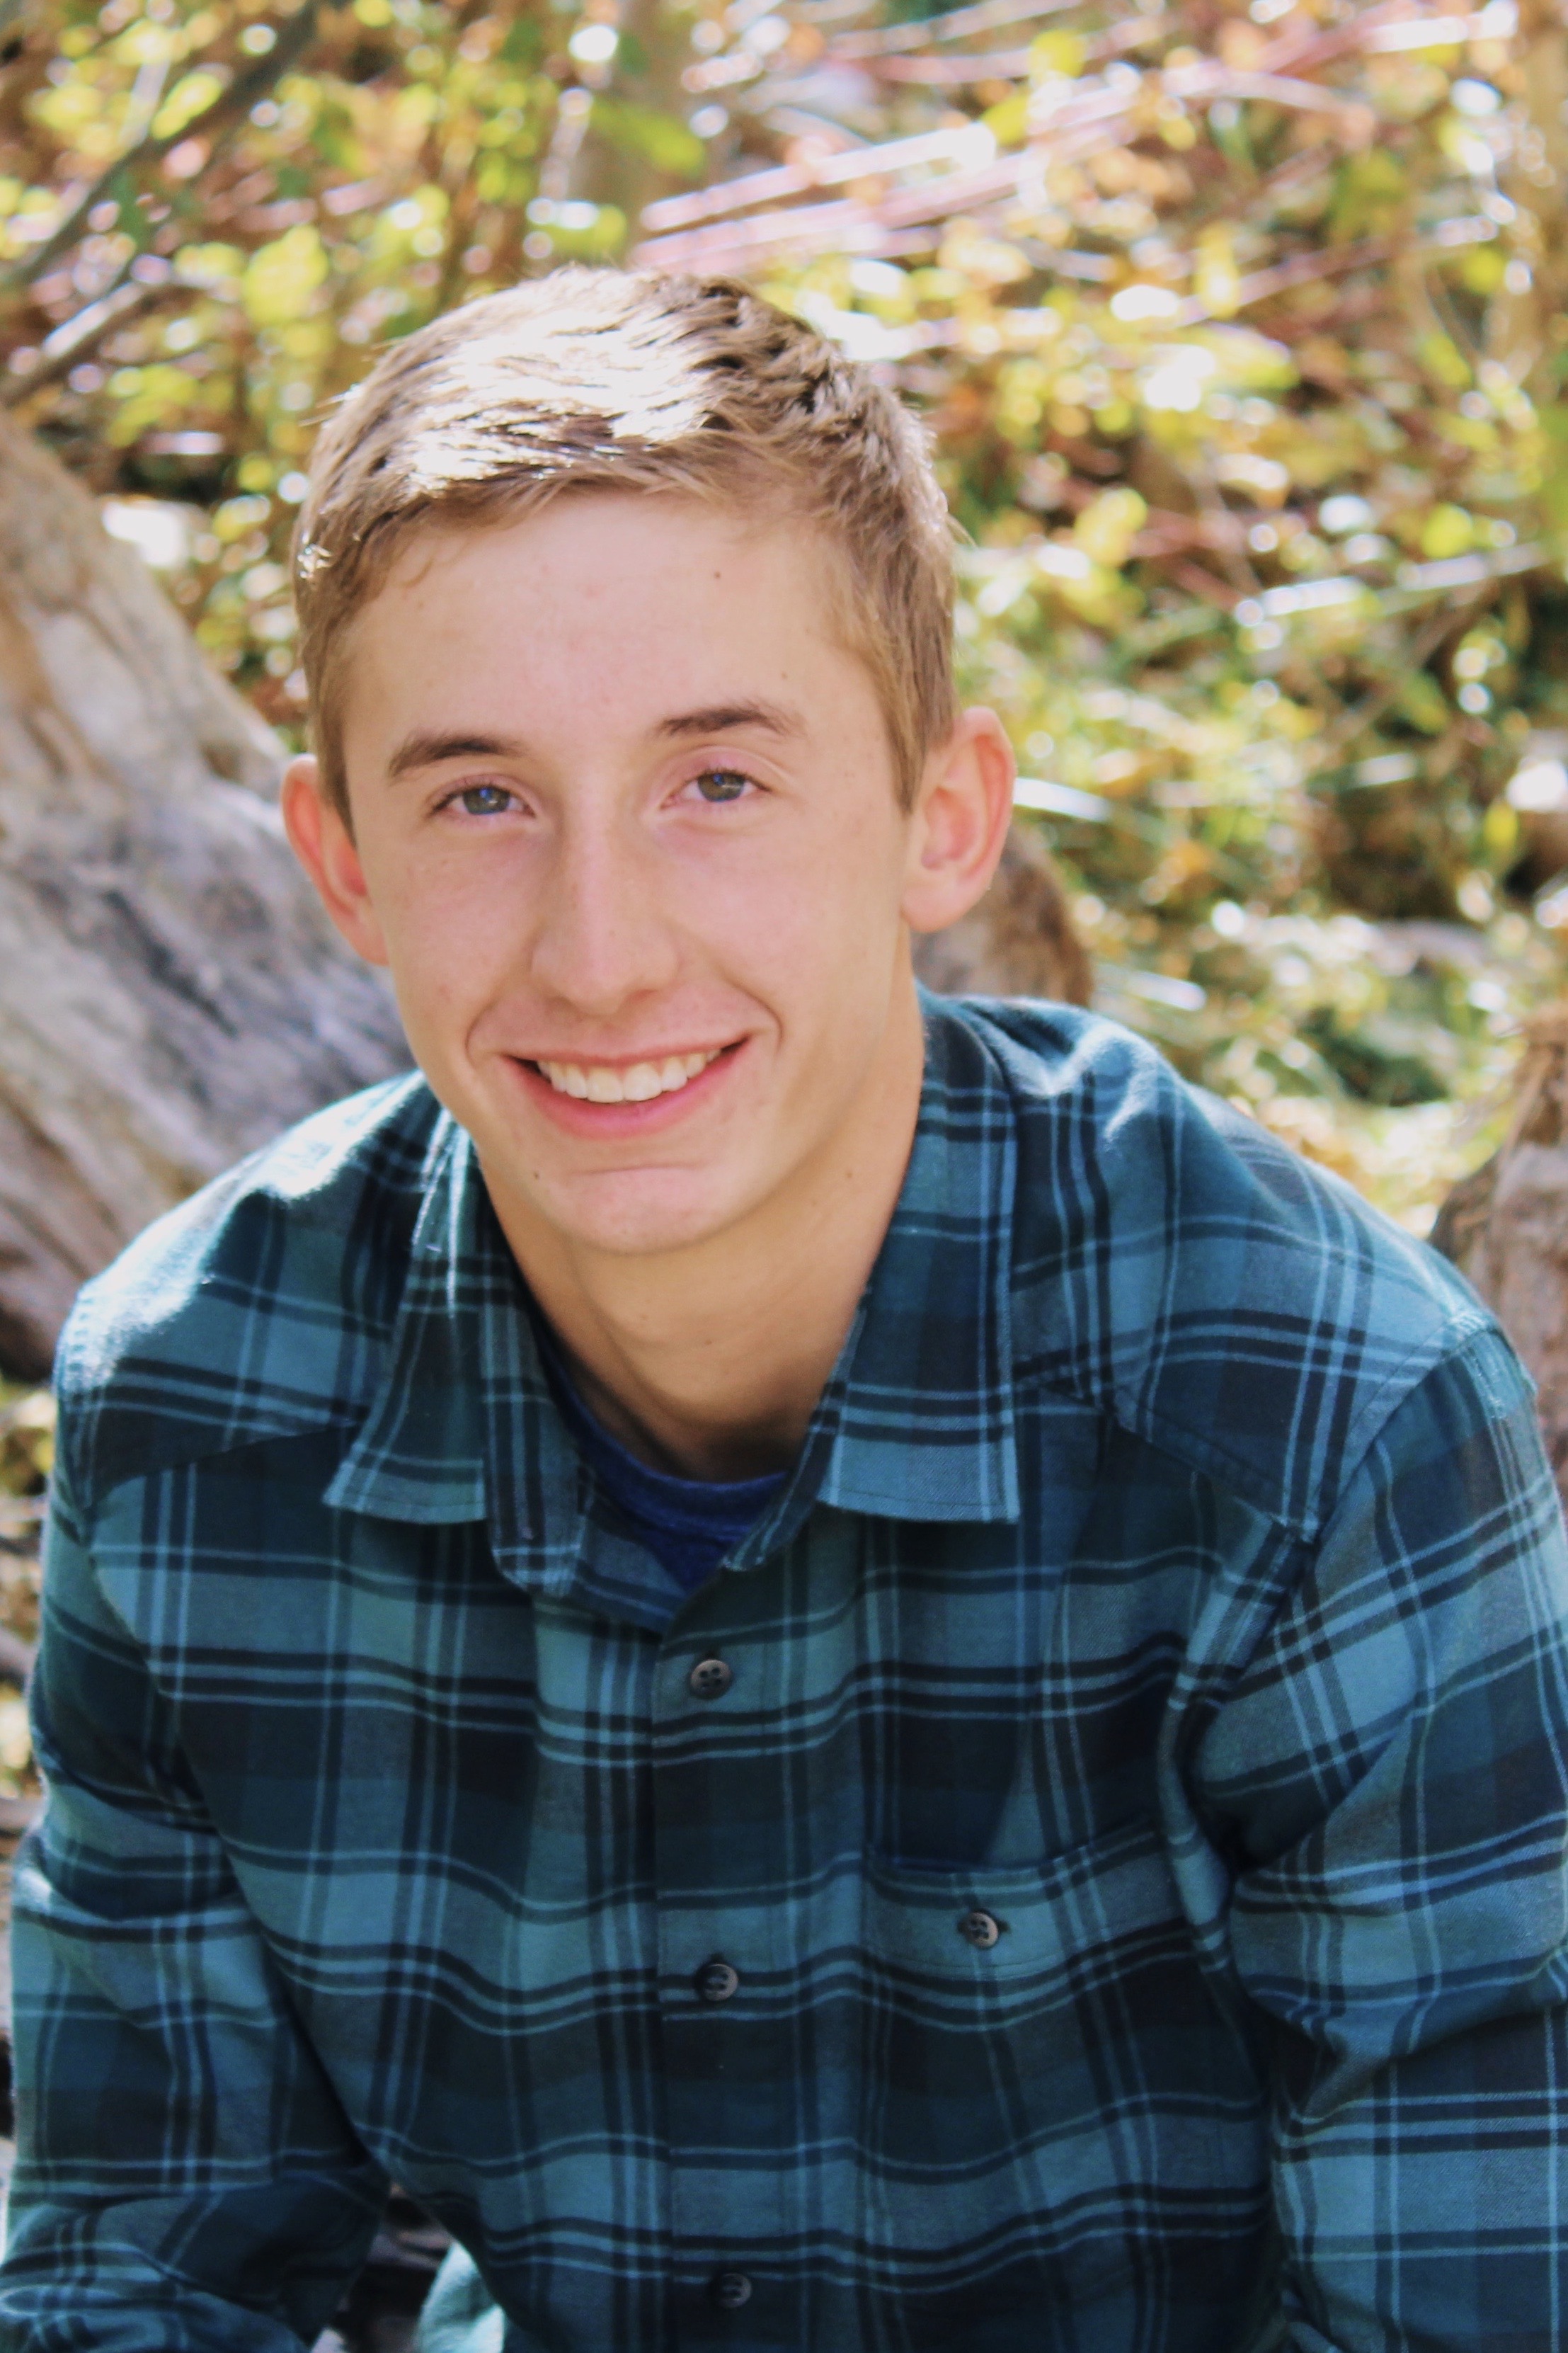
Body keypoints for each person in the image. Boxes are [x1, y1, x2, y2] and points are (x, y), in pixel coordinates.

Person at [2, 268, 1566, 2353]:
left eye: (718, 781)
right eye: (481, 796)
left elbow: (1457, 2311)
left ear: (944, 818)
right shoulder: (200, 1404)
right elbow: (135, 2267)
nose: (601, 952)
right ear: (343, 858)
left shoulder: (1327, 1421)